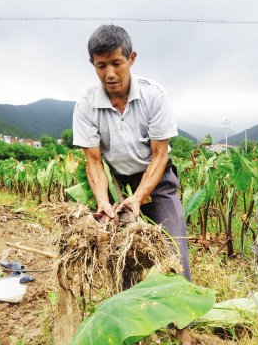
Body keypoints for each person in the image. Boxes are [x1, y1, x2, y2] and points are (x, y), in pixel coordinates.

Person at [72, 24, 192, 344]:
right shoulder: (86, 105)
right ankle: (132, 326)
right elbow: (94, 162)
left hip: (156, 176)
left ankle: (183, 329)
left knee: (174, 250)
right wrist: (103, 203)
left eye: (116, 63)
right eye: (101, 65)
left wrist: (139, 198)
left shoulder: (154, 95)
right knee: (121, 253)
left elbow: (160, 153)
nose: (109, 73)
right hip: (116, 181)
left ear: (131, 58)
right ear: (92, 65)